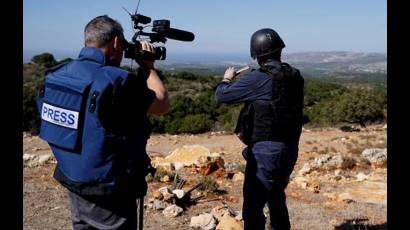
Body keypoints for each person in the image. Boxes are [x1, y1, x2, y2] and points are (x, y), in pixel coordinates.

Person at [37, 15, 170, 229]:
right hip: (108, 189)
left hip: (73, 178)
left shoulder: (56, 74)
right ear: (116, 42)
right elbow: (162, 104)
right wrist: (148, 67)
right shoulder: (117, 81)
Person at [214, 28, 305, 230]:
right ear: (279, 50)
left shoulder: (259, 78)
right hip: (290, 147)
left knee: (254, 205)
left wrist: (227, 79)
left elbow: (222, 96)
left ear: (256, 54)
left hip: (266, 150)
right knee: (276, 197)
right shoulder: (294, 76)